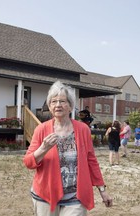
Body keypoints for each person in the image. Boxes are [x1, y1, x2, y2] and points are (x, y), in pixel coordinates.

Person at [23, 81, 112, 216]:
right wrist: (43, 149)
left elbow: (91, 161)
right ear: (50, 106)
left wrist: (102, 189)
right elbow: (28, 162)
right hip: (45, 195)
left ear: (70, 106)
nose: (58, 105)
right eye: (54, 101)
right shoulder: (41, 129)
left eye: (62, 101)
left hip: (75, 196)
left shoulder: (83, 129)